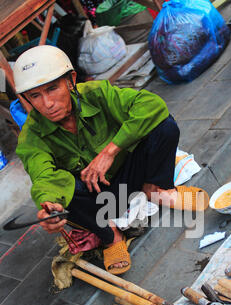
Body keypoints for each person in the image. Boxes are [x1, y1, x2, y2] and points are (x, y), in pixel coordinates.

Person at [13, 45, 209, 275]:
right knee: (63, 190)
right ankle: (111, 236)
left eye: (52, 88)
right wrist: (49, 206)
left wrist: (110, 151)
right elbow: (43, 177)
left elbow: (152, 105)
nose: (47, 104)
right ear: (27, 98)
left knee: (163, 126)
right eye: (36, 95)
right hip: (97, 201)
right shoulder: (31, 136)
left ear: (70, 80)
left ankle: (156, 188)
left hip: (130, 172)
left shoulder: (96, 93)